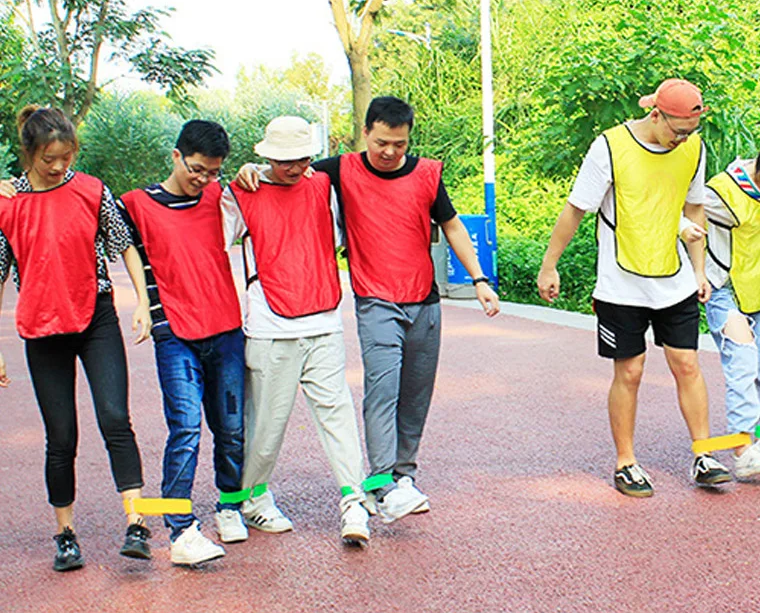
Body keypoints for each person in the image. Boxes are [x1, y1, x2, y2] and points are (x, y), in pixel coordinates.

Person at [238, 96, 500, 524]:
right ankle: (380, 483)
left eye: (399, 143)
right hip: (375, 300)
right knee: (383, 390)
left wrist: (479, 280)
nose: (390, 152)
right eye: (382, 142)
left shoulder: (427, 174)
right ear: (366, 134)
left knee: (415, 396)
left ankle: (403, 476)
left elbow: (451, 223)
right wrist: (251, 171)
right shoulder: (338, 169)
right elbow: (285, 175)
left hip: (425, 300)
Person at [537, 78, 727, 497]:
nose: (683, 140)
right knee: (631, 371)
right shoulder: (609, 147)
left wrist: (698, 270)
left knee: (688, 365)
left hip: (674, 278)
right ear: (655, 114)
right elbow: (575, 211)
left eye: (690, 132)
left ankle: (704, 453)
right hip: (620, 285)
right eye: (677, 131)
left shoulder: (692, 148)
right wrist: (550, 265)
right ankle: (626, 462)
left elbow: (693, 207)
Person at [0, 105, 153, 571]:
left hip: (96, 317)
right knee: (61, 434)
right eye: (50, 158)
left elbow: (122, 242)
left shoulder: (90, 190)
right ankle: (65, 534)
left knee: (114, 418)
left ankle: (137, 524)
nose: (60, 166)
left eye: (66, 156)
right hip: (44, 328)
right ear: (28, 153)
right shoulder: (9, 203)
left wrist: (144, 303)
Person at [222, 116, 371, 545]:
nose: (294, 166)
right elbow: (210, 237)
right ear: (266, 156)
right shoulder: (241, 194)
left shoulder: (324, 188)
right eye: (285, 159)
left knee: (338, 415)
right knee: (267, 425)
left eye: (302, 158)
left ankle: (353, 500)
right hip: (271, 325)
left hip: (323, 319)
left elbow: (343, 236)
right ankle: (252, 499)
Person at [118, 120, 248, 566]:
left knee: (231, 430)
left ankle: (230, 506)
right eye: (197, 169)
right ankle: (180, 530)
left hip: (227, 328)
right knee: (186, 429)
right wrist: (15, 186)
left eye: (213, 172)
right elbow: (81, 211)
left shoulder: (219, 196)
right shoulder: (136, 204)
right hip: (175, 333)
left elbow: (281, 182)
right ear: (175, 156)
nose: (204, 180)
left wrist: (254, 171)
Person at [696, 125, 760, 476]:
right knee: (741, 365)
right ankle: (742, 451)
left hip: (758, 292)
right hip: (725, 289)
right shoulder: (721, 191)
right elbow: (685, 209)